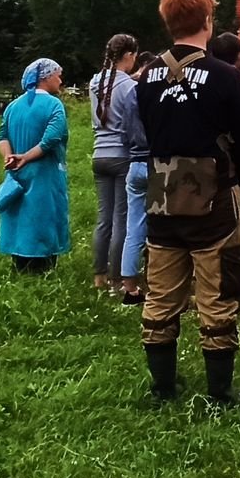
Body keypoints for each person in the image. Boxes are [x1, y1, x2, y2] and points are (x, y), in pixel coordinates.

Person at [134, 0, 240, 405]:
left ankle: (163, 388)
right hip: (214, 198)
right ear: (207, 21)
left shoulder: (147, 77)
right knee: (218, 291)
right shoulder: (224, 75)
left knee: (161, 292)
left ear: (168, 22)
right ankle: (220, 392)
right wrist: (233, 177)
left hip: (162, 193)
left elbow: (149, 130)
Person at [0, 57, 71, 274]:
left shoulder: (13, 106)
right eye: (58, 75)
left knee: (19, 217)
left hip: (16, 175)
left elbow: (2, 135)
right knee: (43, 217)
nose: (60, 80)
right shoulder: (54, 105)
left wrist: (9, 157)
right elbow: (51, 139)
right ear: (46, 77)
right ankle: (43, 269)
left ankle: (19, 266)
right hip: (45, 174)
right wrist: (26, 157)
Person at [87, 34, 138, 292]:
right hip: (121, 155)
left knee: (103, 218)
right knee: (122, 220)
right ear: (128, 55)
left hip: (99, 154)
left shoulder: (94, 82)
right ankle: (117, 279)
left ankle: (99, 276)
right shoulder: (129, 86)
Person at [116, 51, 157, 305]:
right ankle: (160, 282)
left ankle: (130, 288)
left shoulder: (132, 93)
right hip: (157, 163)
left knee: (133, 228)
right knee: (163, 228)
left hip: (135, 163)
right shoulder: (159, 93)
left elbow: (123, 133)